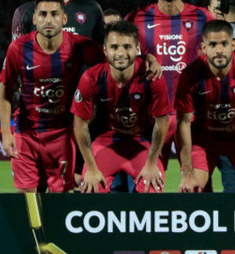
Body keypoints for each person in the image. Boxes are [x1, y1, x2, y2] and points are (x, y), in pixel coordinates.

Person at [0, 0, 104, 192]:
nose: (49, 20)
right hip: (25, 134)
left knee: (59, 201)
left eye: (55, 14)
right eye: (43, 14)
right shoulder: (18, 48)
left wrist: (146, 61)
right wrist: (5, 132)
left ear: (64, 19)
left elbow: (115, 61)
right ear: (35, 19)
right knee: (27, 199)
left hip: (62, 135)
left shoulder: (80, 46)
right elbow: (4, 90)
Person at [125, 0, 215, 168]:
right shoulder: (137, 17)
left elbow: (222, 49)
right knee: (149, 181)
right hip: (150, 115)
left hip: (192, 114)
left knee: (196, 180)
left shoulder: (203, 17)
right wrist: (143, 58)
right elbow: (118, 55)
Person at [72, 21, 172, 193]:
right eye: (114, 47)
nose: (120, 53)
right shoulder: (91, 78)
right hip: (105, 142)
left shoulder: (152, 76)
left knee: (153, 191)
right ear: (105, 50)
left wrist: (151, 163)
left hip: (139, 142)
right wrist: (91, 168)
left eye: (127, 47)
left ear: (137, 49)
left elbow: (162, 122)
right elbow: (80, 125)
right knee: (90, 190)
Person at [175, 20, 235, 193]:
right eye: (212, 44)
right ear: (204, 47)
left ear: (233, 45)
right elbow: (182, 123)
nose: (219, 50)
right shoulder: (190, 74)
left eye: (224, 44)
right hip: (203, 140)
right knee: (192, 188)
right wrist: (187, 172)